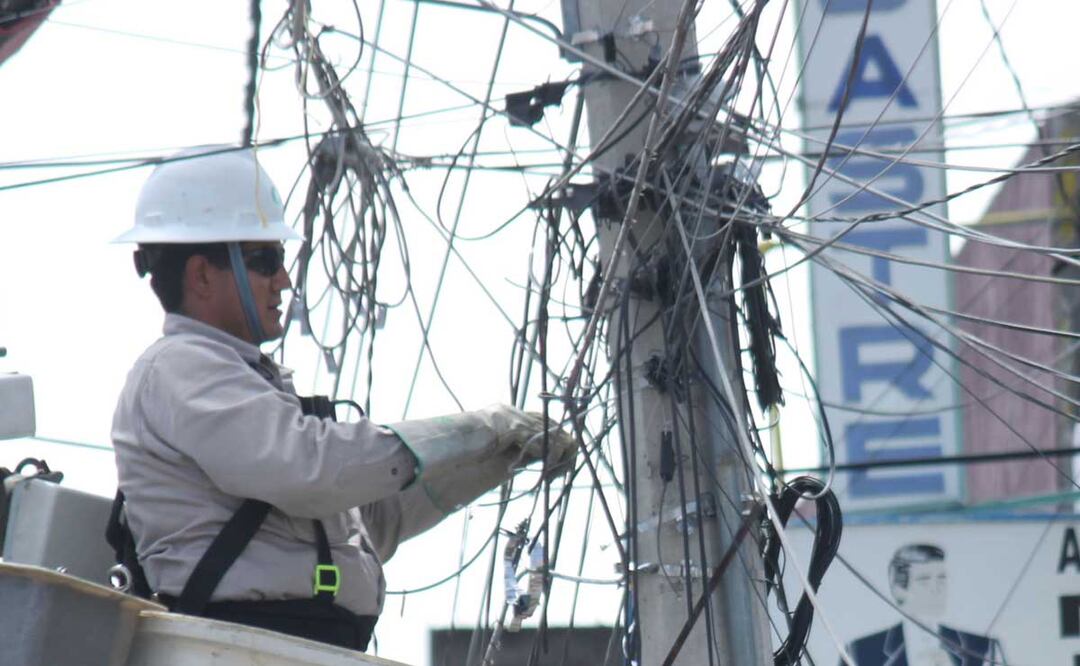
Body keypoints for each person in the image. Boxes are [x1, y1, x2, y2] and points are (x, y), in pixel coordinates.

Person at [107, 147, 575, 653]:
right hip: (241, 646)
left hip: (284, 648)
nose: (284, 280)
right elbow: (311, 469)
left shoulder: (241, 384)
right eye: (266, 260)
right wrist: (476, 430)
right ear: (201, 275)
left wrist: (495, 458)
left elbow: (367, 522)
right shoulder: (181, 367)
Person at [845, 544, 1004, 666]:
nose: (937, 589)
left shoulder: (983, 648)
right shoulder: (860, 651)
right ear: (899, 589)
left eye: (941, 579)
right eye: (924, 580)